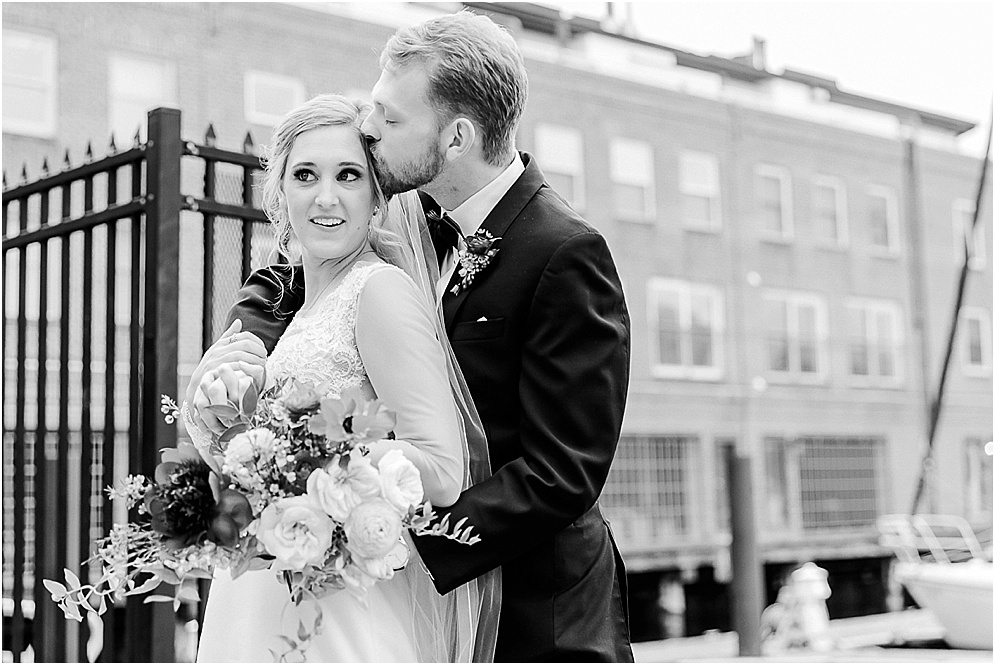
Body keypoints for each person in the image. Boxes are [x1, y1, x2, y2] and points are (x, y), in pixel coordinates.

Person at [190, 10, 633, 662]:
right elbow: (298, 279)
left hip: (534, 607)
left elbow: (562, 469)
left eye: (391, 119)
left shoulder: (563, 251)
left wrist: (371, 529)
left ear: (454, 138)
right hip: (367, 586)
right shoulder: (408, 209)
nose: (370, 130)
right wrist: (241, 349)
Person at [184, 94, 499, 662]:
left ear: (377, 196)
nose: (325, 197)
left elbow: (443, 471)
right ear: (280, 193)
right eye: (305, 175)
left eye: (348, 175)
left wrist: (310, 470)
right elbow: (257, 468)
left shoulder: (379, 291)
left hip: (338, 616)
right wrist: (214, 417)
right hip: (264, 594)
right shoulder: (299, 312)